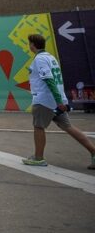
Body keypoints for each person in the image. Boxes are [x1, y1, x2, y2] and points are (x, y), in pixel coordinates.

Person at [23, 33, 95, 168]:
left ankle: (38, 158)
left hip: (45, 100)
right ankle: (94, 152)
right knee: (68, 127)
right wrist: (61, 100)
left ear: (33, 45)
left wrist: (58, 101)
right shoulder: (51, 58)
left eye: (30, 43)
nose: (29, 46)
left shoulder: (39, 59)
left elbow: (49, 80)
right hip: (57, 100)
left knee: (39, 127)